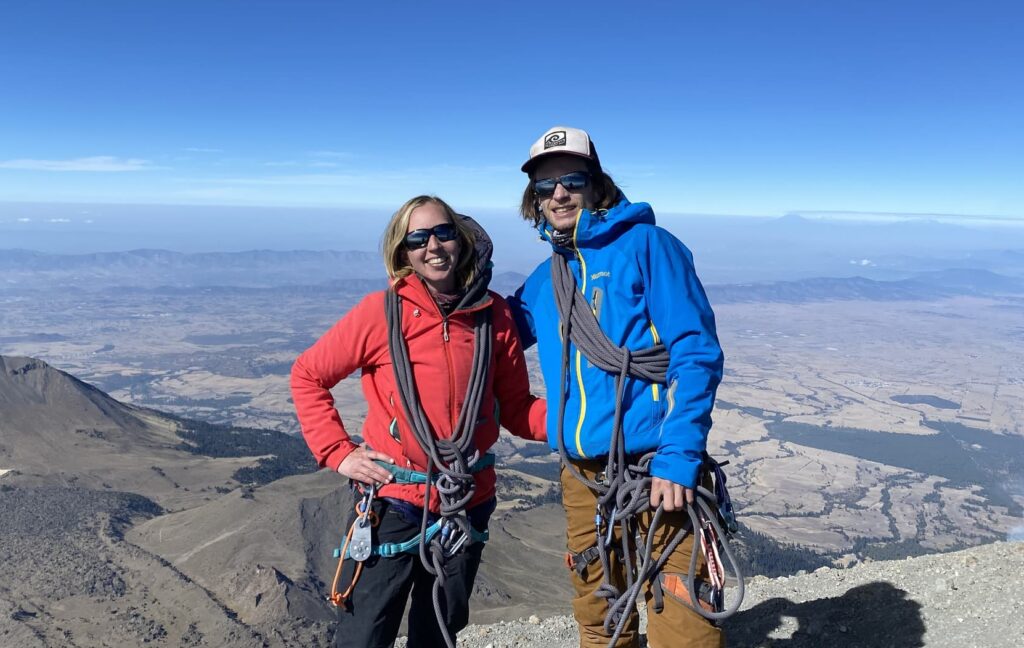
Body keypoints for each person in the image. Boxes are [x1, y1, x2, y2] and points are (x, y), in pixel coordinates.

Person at [291, 195, 546, 648]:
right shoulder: (381, 312)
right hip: (393, 500)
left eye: (443, 232)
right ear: (403, 251)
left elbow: (518, 408)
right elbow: (308, 374)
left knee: (439, 633)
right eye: (418, 237)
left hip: (464, 499)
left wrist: (587, 423)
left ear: (462, 240)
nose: (434, 246)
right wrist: (337, 452)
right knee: (364, 634)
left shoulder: (494, 316)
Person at [508, 126, 727, 648]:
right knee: (600, 618)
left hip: (656, 470)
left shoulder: (649, 247)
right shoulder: (546, 279)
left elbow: (697, 354)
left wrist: (679, 456)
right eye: (544, 186)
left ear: (596, 183)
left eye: (571, 179)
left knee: (686, 621)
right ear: (533, 201)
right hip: (582, 480)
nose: (558, 194)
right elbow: (489, 338)